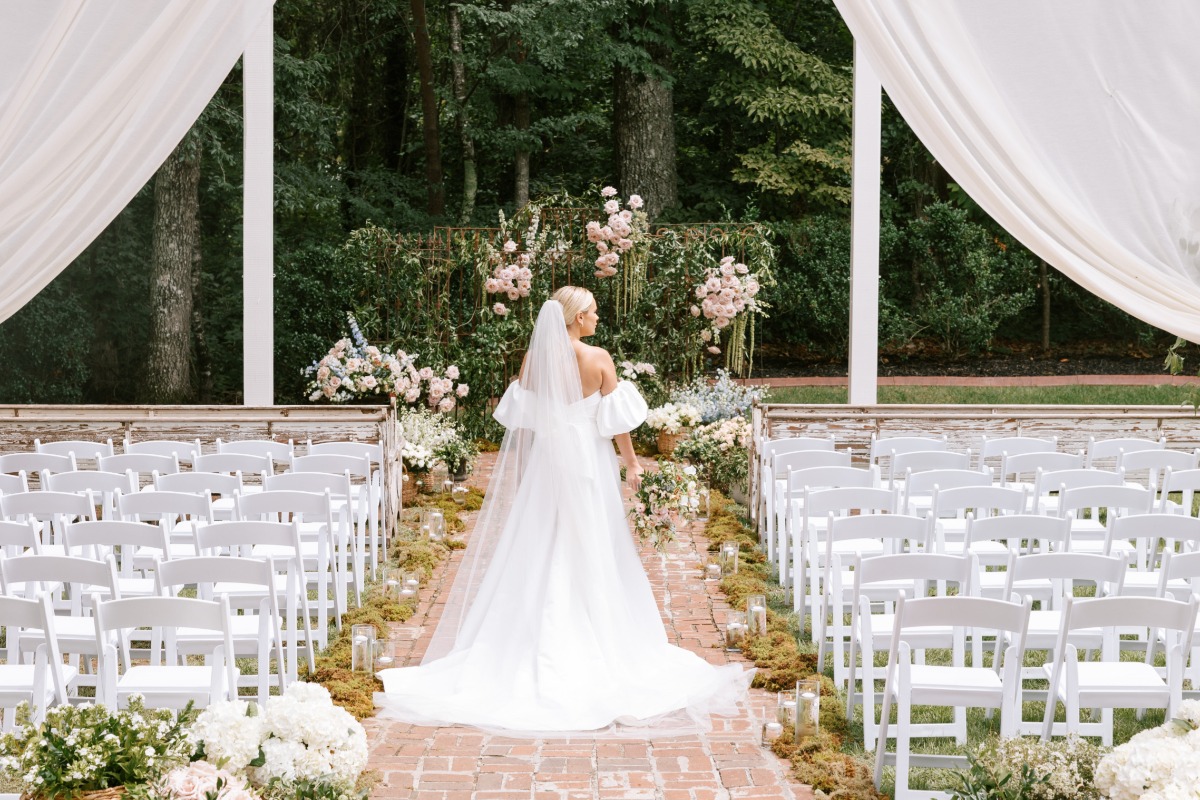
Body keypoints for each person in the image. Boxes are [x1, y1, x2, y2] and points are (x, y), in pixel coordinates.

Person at [376, 286, 753, 736]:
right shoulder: (599, 359)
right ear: (576, 319)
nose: (598, 318)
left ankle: (528, 637)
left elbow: (524, 416)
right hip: (588, 463)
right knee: (591, 541)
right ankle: (595, 636)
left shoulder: (536, 361)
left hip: (550, 461)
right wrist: (632, 464)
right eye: (593, 312)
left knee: (541, 539)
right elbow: (616, 424)